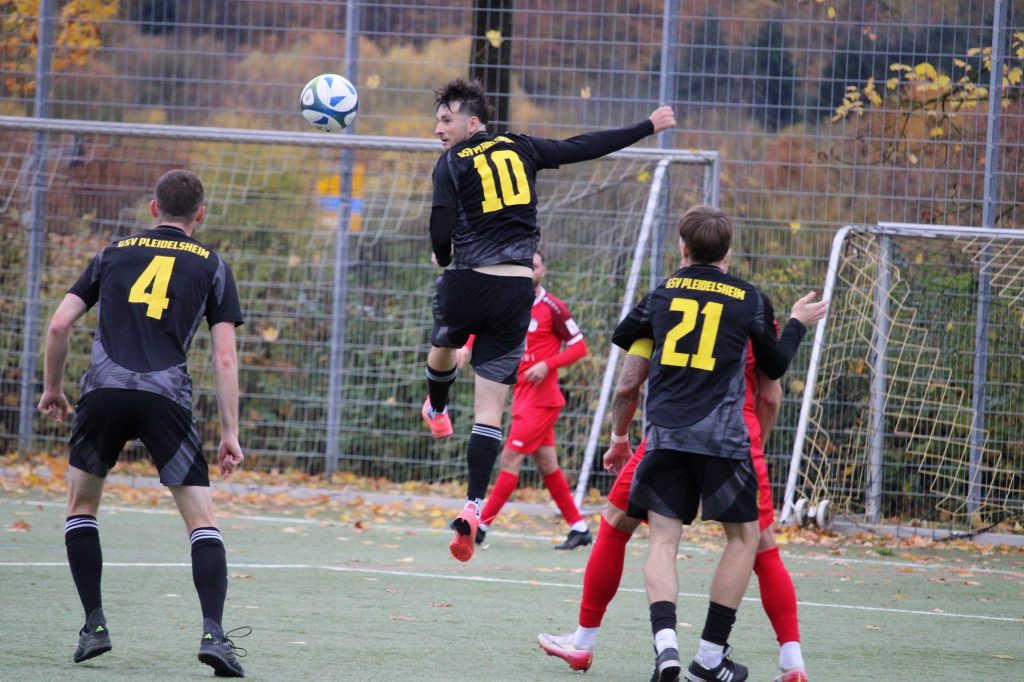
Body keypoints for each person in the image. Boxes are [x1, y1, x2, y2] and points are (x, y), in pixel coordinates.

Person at [420, 78, 676, 562]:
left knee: (446, 342)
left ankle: (436, 406)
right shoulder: (522, 146)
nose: (438, 129)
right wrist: (647, 126)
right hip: (516, 290)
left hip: (469, 281)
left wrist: (443, 254)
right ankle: (473, 505)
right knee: (490, 413)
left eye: (446, 120)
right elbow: (583, 146)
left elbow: (439, 230)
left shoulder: (451, 162)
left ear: (472, 123)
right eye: (437, 121)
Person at [593, 205, 824, 681]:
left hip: (666, 435)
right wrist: (798, 322)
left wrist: (619, 434)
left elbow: (627, 369)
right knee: (746, 540)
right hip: (725, 437)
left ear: (683, 246)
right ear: (729, 251)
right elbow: (774, 372)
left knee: (661, 540)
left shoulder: (662, 293)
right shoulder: (750, 299)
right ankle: (712, 656)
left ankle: (666, 648)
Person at [37, 169, 249, 677]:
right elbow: (224, 358)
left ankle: (94, 625)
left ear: (154, 209)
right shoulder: (213, 265)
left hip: (104, 393)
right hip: (165, 398)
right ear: (200, 215)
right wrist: (230, 433)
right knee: (202, 521)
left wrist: (52, 388)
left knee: (81, 508)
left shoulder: (112, 253)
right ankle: (214, 635)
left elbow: (59, 324)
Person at [539, 352, 810, 681]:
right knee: (759, 545)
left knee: (622, 526)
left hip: (672, 430)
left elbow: (628, 383)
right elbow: (770, 394)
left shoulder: (662, 314)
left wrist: (619, 437)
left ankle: (593, 641)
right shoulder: (752, 318)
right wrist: (756, 447)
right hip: (734, 434)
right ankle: (789, 660)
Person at [459, 251, 592, 550]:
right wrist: (466, 346)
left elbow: (580, 347)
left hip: (541, 400)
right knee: (547, 464)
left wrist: (547, 364)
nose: (528, 270)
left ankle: (480, 526)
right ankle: (579, 527)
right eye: (524, 265)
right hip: (522, 394)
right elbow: (482, 324)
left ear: (544, 272)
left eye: (534, 266)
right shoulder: (507, 302)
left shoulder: (553, 307)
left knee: (509, 459)